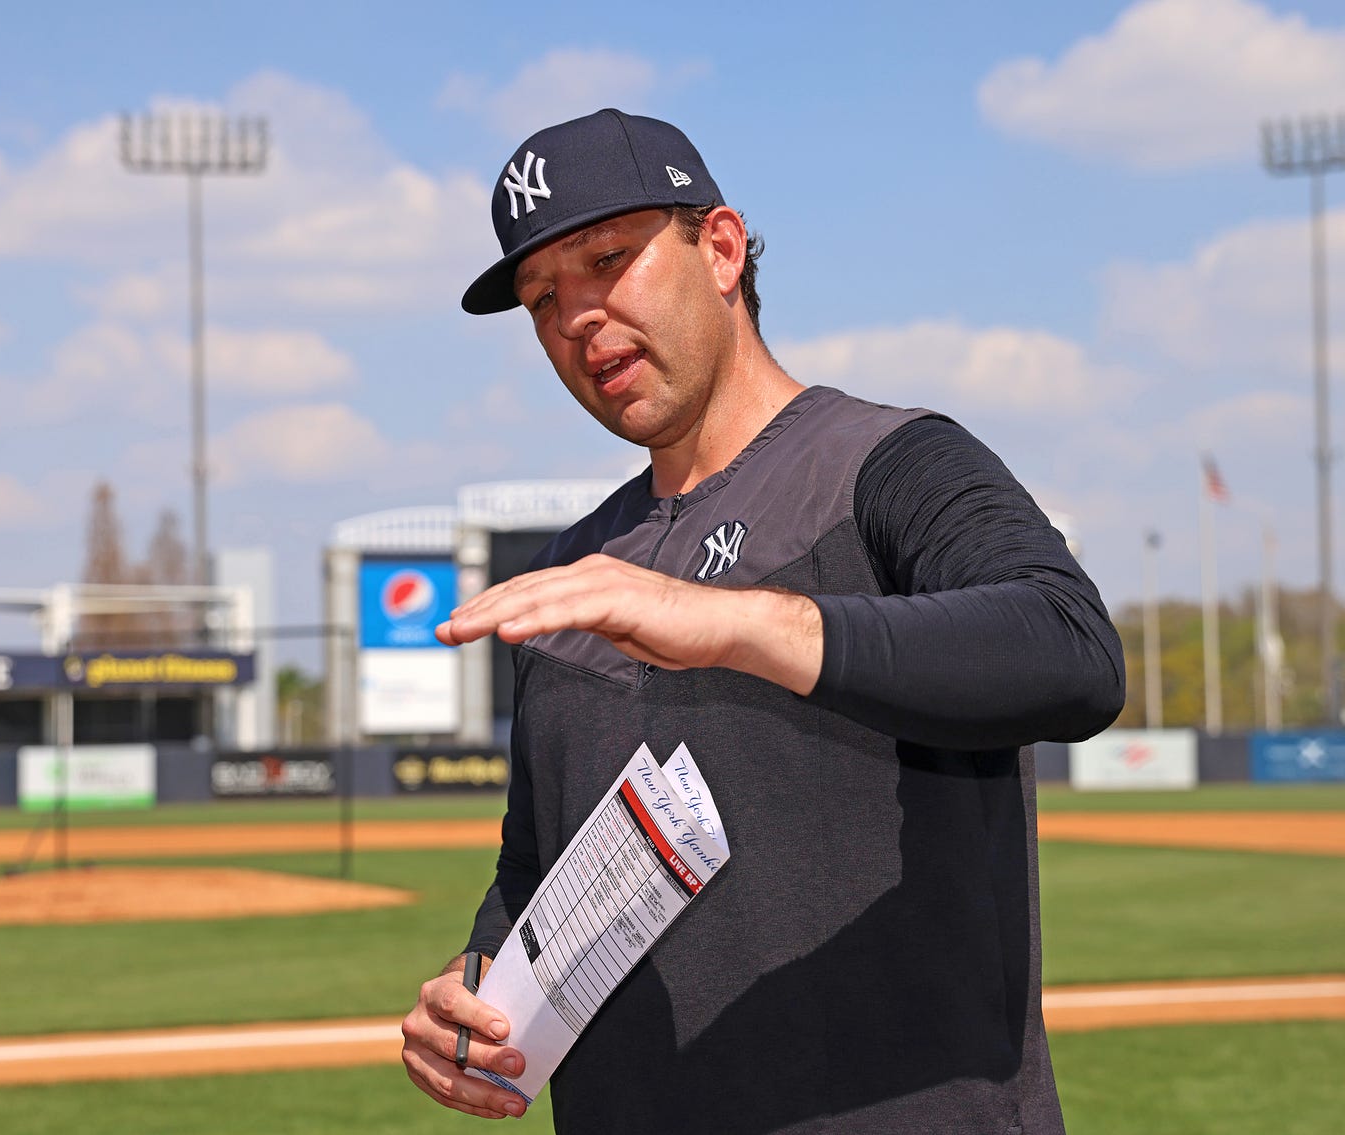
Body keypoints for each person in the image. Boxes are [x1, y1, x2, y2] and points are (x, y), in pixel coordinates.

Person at [402, 108, 1124, 1134]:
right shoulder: (570, 571)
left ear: (723, 248)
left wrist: (734, 623)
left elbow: (1071, 652)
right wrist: (474, 992)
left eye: (608, 259)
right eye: (541, 299)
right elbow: (535, 871)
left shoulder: (885, 463)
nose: (576, 318)